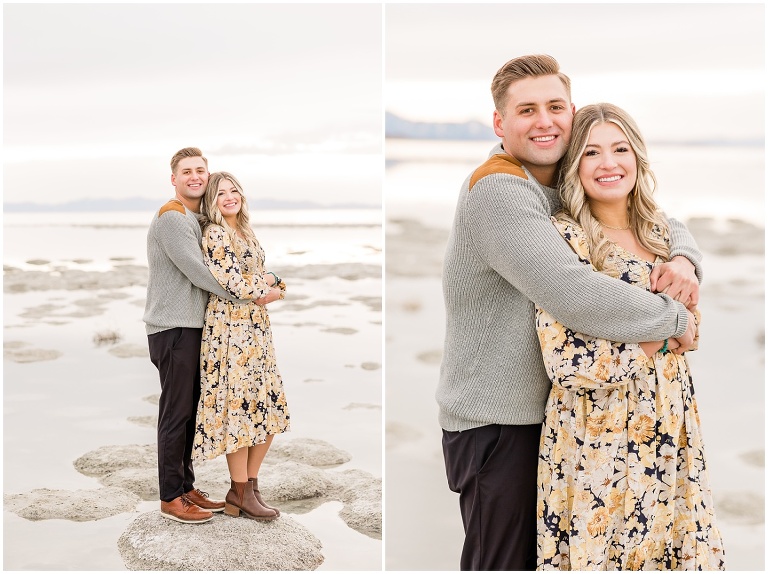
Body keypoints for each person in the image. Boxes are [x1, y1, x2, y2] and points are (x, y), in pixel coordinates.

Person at [436, 55, 703, 570]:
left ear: (571, 111)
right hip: (496, 422)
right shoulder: (499, 190)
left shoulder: (556, 180)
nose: (544, 121)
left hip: (557, 415)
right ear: (499, 123)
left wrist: (685, 258)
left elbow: (655, 217)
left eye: (555, 106)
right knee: (502, 564)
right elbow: (572, 291)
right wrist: (677, 320)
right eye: (526, 110)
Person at [535, 103, 724, 570]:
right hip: (597, 435)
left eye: (620, 149)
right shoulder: (564, 238)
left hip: (669, 426)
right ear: (573, 163)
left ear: (637, 157)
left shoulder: (662, 234)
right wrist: (659, 341)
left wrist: (683, 320)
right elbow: (565, 362)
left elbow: (694, 325)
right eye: (591, 152)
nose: (609, 163)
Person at [144, 148, 281, 524]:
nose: (194, 176)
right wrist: (254, 292)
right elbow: (201, 274)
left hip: (193, 326)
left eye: (199, 170)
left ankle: (186, 487)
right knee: (175, 414)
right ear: (173, 178)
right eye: (186, 171)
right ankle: (171, 497)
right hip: (173, 326)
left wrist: (268, 283)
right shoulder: (173, 217)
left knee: (188, 412)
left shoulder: (196, 218)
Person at [192, 171, 290, 521]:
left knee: (267, 407)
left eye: (234, 191)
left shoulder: (244, 230)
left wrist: (272, 283)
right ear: (211, 202)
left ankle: (250, 487)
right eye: (221, 194)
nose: (230, 197)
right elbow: (235, 284)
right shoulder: (215, 233)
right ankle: (239, 491)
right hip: (229, 331)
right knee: (238, 410)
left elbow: (269, 278)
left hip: (257, 331)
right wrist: (267, 286)